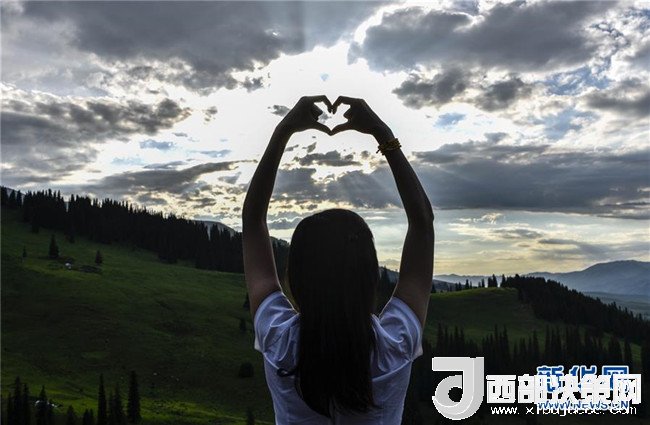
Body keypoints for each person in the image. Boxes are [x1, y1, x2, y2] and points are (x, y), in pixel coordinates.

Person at [242, 95, 434, 424]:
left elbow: (252, 221)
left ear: (296, 279)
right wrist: (383, 134)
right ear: (370, 279)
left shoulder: (279, 344)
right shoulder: (395, 348)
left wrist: (283, 131)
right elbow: (422, 224)